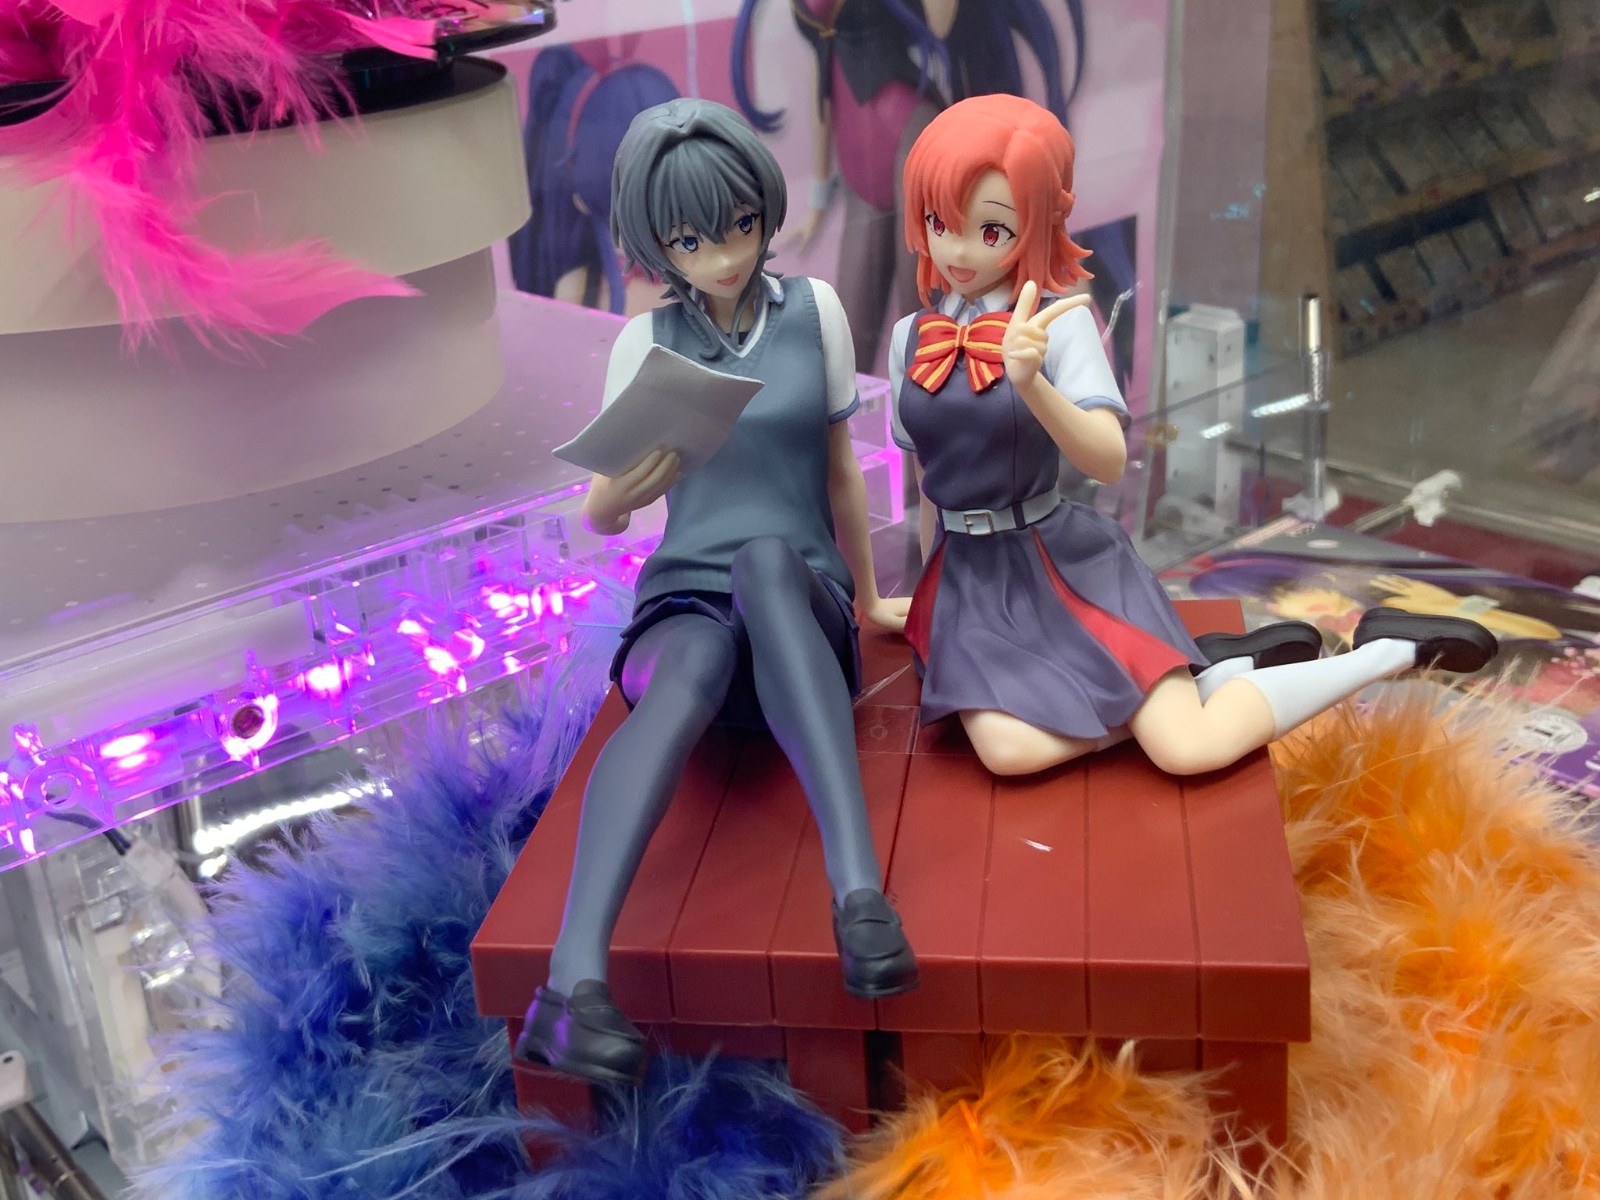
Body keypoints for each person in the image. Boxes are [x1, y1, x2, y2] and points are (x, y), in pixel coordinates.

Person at [885, 94, 1498, 778]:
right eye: (939, 222)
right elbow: (927, 484)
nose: (958, 250)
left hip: (1060, 566)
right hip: (971, 582)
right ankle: (1211, 673)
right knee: (1009, 754)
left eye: (992, 230)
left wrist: (1032, 384)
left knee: (1186, 750)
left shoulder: (1060, 324)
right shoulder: (911, 337)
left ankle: (1386, 652)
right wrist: (926, 595)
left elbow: (1107, 461)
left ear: (1037, 223)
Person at [515, 98, 917, 1086]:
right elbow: (601, 517)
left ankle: (859, 899)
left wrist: (870, 598)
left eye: (738, 225)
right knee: (690, 660)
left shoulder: (814, 312)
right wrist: (622, 492)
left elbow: (841, 473)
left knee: (766, 563)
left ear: (763, 209)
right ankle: (569, 992)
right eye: (692, 241)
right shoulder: (642, 343)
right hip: (688, 611)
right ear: (659, 244)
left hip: (797, 610)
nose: (725, 255)